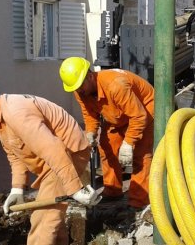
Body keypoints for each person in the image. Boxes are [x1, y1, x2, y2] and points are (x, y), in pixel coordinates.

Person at [0, 69, 102, 245]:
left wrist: (74, 188)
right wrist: (17, 189)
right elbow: (15, 154)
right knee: (50, 211)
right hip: (52, 159)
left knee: (43, 214)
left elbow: (52, 148)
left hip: (69, 152)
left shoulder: (15, 112)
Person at [59, 57, 154, 210]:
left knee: (140, 157)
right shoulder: (80, 91)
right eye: (75, 88)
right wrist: (90, 133)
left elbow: (139, 116)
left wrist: (128, 142)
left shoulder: (116, 85)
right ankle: (112, 190)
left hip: (144, 110)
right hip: (117, 113)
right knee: (106, 146)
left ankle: (138, 201)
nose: (79, 91)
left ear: (90, 76)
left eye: (80, 86)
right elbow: (90, 114)